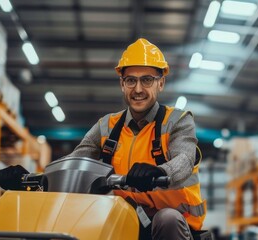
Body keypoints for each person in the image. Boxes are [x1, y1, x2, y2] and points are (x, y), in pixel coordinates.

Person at [65, 38, 206, 240]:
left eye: (147, 80)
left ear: (161, 83)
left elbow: (184, 160)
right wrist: (36, 176)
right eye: (131, 80)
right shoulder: (106, 126)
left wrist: (161, 171)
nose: (138, 89)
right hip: (123, 219)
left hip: (174, 226)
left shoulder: (178, 122)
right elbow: (73, 164)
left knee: (167, 218)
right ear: (122, 84)